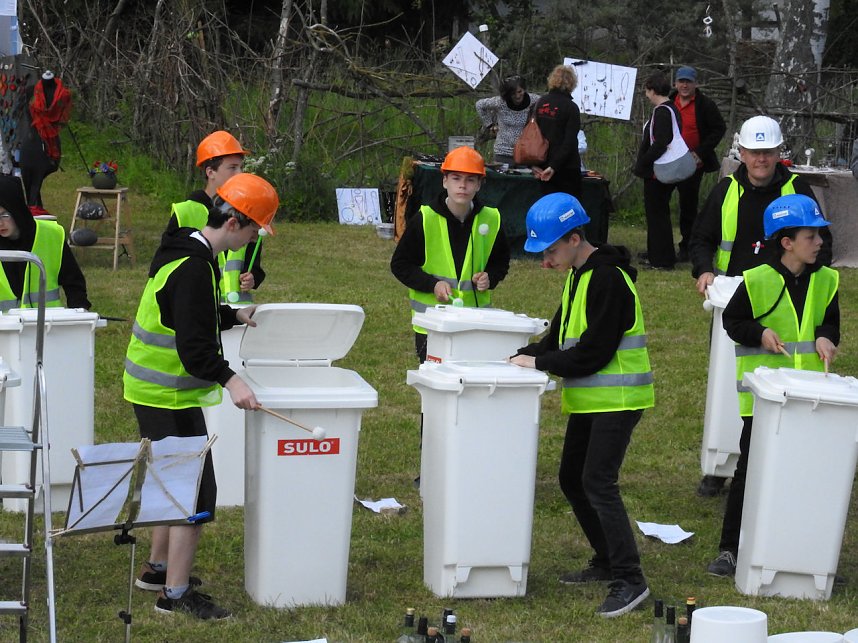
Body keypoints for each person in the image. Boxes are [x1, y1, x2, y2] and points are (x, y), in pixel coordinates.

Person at [125, 172, 278, 619]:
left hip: (157, 390)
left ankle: (157, 569)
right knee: (194, 492)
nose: (253, 239)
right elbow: (195, 351)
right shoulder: (195, 266)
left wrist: (230, 314)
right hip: (164, 393)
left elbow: (188, 313)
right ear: (233, 222)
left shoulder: (191, 250)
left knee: (174, 482)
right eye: (253, 230)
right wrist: (233, 381)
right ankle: (174, 595)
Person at [510, 192, 653, 618]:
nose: (545, 261)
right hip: (592, 399)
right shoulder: (579, 276)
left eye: (550, 251)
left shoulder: (607, 279)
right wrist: (518, 355)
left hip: (618, 399)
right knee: (572, 478)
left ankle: (630, 578)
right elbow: (557, 339)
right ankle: (606, 559)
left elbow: (592, 353)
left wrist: (539, 362)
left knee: (597, 482)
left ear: (574, 239)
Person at [689, 115, 833, 497]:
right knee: (729, 386)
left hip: (786, 303)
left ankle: (775, 466)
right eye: (754, 152)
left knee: (782, 387)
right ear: (742, 152)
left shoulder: (795, 189)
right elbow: (701, 238)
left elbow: (823, 245)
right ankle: (721, 465)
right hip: (733, 301)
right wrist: (704, 270)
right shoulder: (726, 190)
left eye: (768, 152)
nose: (761, 160)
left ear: (779, 152)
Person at [706, 193, 838, 577]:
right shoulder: (757, 280)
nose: (819, 242)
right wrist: (760, 333)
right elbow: (733, 322)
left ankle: (802, 550)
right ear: (787, 243)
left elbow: (830, 322)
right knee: (750, 471)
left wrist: (827, 337)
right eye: (811, 236)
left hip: (811, 397)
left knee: (807, 474)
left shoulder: (826, 280)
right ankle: (730, 549)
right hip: (766, 399)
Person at [390, 145, 510, 364]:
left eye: (470, 180)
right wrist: (432, 284)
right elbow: (400, 265)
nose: (462, 185)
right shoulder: (425, 218)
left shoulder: (492, 219)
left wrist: (490, 277)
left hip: (475, 323)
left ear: (479, 184)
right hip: (433, 324)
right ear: (445, 181)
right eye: (456, 178)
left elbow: (500, 262)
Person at [166, 130, 265, 304]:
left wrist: (254, 277)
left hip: (238, 309)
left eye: (241, 167)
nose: (239, 174)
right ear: (210, 172)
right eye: (232, 168)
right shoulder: (185, 212)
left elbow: (253, 256)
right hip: (198, 304)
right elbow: (168, 266)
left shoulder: (244, 210)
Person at [0, 174, 90, 310]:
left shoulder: (51, 235)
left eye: (4, 215)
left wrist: (80, 313)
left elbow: (74, 284)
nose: (0, 223)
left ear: (17, 209)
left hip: (46, 321)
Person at [668, 66, 727, 262]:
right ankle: (662, 247)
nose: (684, 85)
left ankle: (688, 248)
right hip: (668, 162)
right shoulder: (669, 102)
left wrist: (700, 152)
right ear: (675, 83)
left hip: (692, 164)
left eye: (688, 82)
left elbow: (719, 128)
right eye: (681, 81)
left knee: (688, 207)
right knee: (659, 203)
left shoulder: (705, 105)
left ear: (696, 84)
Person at [633, 71, 683, 270]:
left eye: (647, 91)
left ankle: (662, 259)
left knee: (657, 215)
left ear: (653, 90)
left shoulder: (663, 112)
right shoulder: (670, 109)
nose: (646, 95)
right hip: (660, 170)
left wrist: (644, 161)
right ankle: (657, 254)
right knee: (657, 214)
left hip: (658, 172)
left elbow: (661, 142)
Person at [21, 70, 72, 214]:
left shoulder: (63, 94)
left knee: (45, 168)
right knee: (30, 175)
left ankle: (34, 205)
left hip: (51, 139)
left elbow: (64, 117)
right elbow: (26, 112)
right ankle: (34, 206)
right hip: (32, 138)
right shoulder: (32, 91)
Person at [532, 65, 582, 197]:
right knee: (567, 206)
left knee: (548, 205)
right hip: (567, 168)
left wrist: (533, 164)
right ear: (572, 83)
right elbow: (569, 142)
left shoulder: (539, 103)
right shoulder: (571, 108)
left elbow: (530, 135)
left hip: (542, 165)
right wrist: (554, 166)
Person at [475, 75, 540, 165]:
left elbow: (548, 104)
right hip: (503, 151)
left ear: (524, 90)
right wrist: (490, 124)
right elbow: (479, 105)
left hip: (525, 152)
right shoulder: (500, 102)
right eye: (513, 94)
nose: (517, 96)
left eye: (520, 91)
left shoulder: (534, 100)